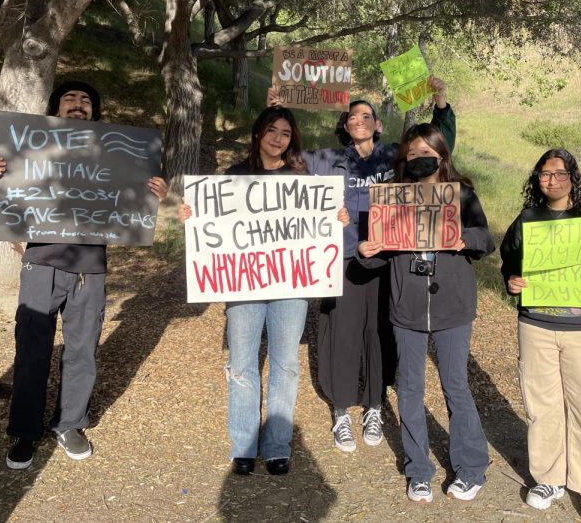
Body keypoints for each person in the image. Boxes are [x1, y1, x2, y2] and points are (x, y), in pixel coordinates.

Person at [0, 80, 169, 470]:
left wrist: (154, 195)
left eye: (86, 100)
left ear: (94, 113)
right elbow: (4, 206)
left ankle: (69, 424)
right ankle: (24, 432)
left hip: (89, 271)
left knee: (82, 352)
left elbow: (129, 210)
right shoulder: (30, 149)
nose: (78, 105)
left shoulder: (114, 154)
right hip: (41, 265)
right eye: (70, 99)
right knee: (32, 353)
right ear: (55, 109)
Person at [269, 78, 456, 452]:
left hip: (391, 261)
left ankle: (373, 405)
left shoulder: (393, 157)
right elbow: (283, 160)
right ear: (344, 124)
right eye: (352, 115)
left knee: (381, 334)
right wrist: (273, 110)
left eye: (366, 115)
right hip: (343, 261)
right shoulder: (326, 160)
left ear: (378, 124)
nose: (359, 119)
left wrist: (440, 103)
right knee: (340, 333)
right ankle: (341, 410)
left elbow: (439, 149)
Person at [178, 106, 349, 476]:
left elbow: (318, 225)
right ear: (258, 134)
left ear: (292, 140)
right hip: (244, 283)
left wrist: (336, 218)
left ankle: (276, 445)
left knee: (285, 364)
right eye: (272, 130)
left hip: (292, 285)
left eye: (285, 133)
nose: (278, 138)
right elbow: (214, 224)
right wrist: (192, 218)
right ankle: (243, 445)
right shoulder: (235, 176)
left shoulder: (303, 179)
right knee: (242, 364)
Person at [358, 123, 493, 503]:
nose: (419, 159)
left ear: (441, 155)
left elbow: (486, 240)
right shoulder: (391, 198)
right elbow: (378, 255)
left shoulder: (462, 195)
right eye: (411, 154)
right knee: (410, 389)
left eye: (426, 152)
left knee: (456, 386)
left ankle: (471, 467)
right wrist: (366, 253)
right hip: (407, 308)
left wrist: (466, 238)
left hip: (452, 309)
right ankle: (418, 470)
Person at [499, 148, 581, 522]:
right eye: (543, 174)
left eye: (558, 173)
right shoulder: (527, 221)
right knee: (542, 406)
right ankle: (549, 478)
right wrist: (510, 281)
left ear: (573, 177)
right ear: (536, 180)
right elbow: (509, 262)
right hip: (536, 325)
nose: (550, 180)